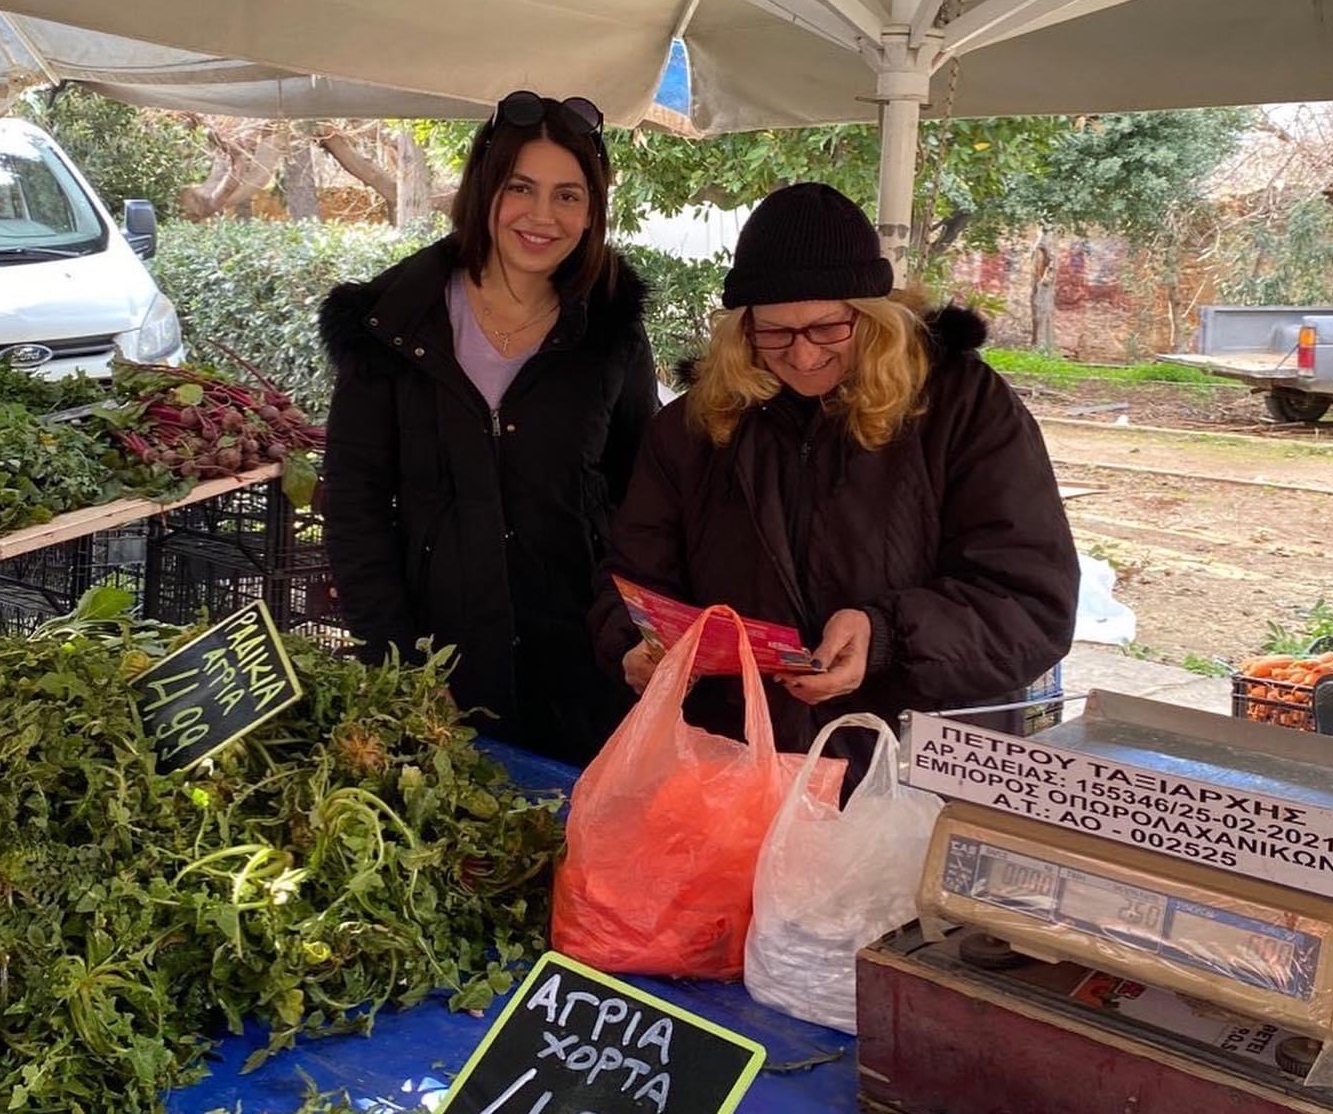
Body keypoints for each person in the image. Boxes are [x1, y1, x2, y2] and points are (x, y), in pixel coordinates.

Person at [590, 182, 1078, 786]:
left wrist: (886, 635)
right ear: (741, 330)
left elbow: (1033, 606)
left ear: (873, 317)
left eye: (827, 328)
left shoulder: (962, 407)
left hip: (903, 775)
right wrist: (632, 647)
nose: (802, 356)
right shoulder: (691, 428)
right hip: (737, 773)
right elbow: (632, 580)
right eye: (774, 333)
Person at [319, 91, 657, 763]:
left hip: (583, 672)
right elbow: (354, 506)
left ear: (593, 210)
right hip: (440, 667)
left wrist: (630, 634)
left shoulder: (611, 324)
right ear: (483, 190)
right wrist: (403, 664)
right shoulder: (392, 322)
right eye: (520, 188)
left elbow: (641, 494)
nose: (542, 216)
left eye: (569, 195)